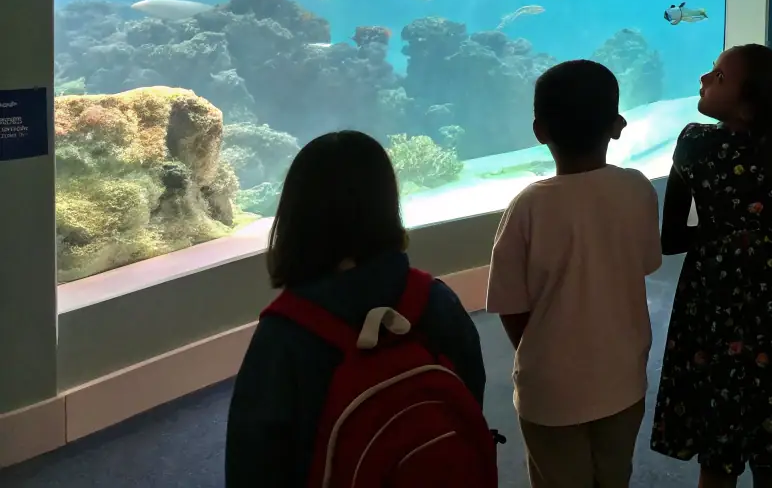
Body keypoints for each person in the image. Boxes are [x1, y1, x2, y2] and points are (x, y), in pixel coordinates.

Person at [226, 131, 486, 488]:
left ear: (296, 217)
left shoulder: (283, 338)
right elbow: (470, 403)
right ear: (386, 205)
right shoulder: (435, 300)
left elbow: (253, 464)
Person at [652, 44, 772, 487]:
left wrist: (720, 239)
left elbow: (671, 237)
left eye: (718, 76)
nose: (705, 77)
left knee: (717, 452)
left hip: (715, 299)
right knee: (771, 442)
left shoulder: (695, 144)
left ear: (749, 101)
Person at [486, 60, 662, 487]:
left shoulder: (527, 206)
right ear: (618, 125)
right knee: (614, 475)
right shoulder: (638, 188)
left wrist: (543, 352)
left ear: (539, 130)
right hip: (623, 380)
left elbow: (510, 307)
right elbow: (644, 264)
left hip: (551, 393)